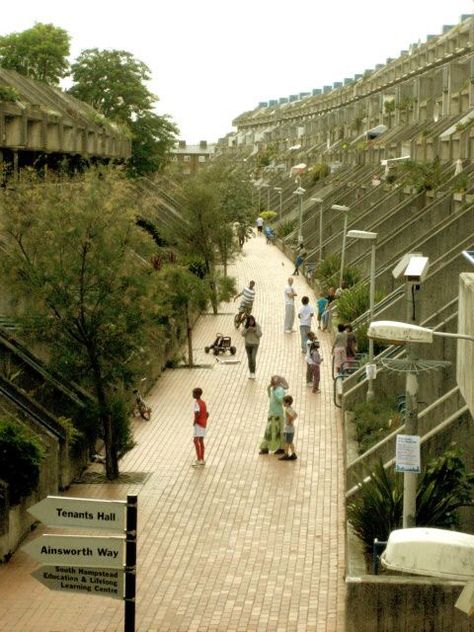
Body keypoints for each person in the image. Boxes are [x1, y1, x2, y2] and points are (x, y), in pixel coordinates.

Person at [259, 375, 288, 455]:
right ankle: (265, 448)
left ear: (278, 383)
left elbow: (280, 401)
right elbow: (270, 396)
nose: (273, 384)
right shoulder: (273, 389)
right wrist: (269, 389)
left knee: (279, 432)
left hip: (278, 415)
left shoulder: (280, 390)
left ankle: (281, 448)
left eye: (274, 383)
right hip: (271, 414)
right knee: (268, 431)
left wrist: (274, 392)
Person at [241, 315, 262, 379]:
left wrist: (254, 330)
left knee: (253, 357)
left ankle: (253, 372)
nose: (251, 322)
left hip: (255, 344)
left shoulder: (257, 325)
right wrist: (247, 329)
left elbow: (260, 334)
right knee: (250, 359)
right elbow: (242, 334)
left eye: (252, 321)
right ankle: (251, 372)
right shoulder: (246, 326)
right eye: (249, 321)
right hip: (248, 345)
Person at [192, 387, 209, 467]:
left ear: (197, 394)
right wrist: (205, 419)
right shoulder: (203, 402)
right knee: (201, 441)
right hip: (203, 424)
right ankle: (202, 459)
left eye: (194, 393)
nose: (193, 395)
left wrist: (195, 421)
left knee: (195, 441)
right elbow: (207, 413)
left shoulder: (196, 403)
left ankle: (199, 459)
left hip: (198, 424)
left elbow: (197, 413)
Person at [279, 395, 298, 461]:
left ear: (287, 403)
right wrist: (292, 421)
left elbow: (291, 417)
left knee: (287, 443)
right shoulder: (290, 408)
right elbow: (295, 415)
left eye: (283, 402)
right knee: (290, 442)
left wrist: (289, 422)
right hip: (290, 429)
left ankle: (286, 454)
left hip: (288, 430)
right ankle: (293, 454)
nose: (283, 403)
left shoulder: (287, 410)